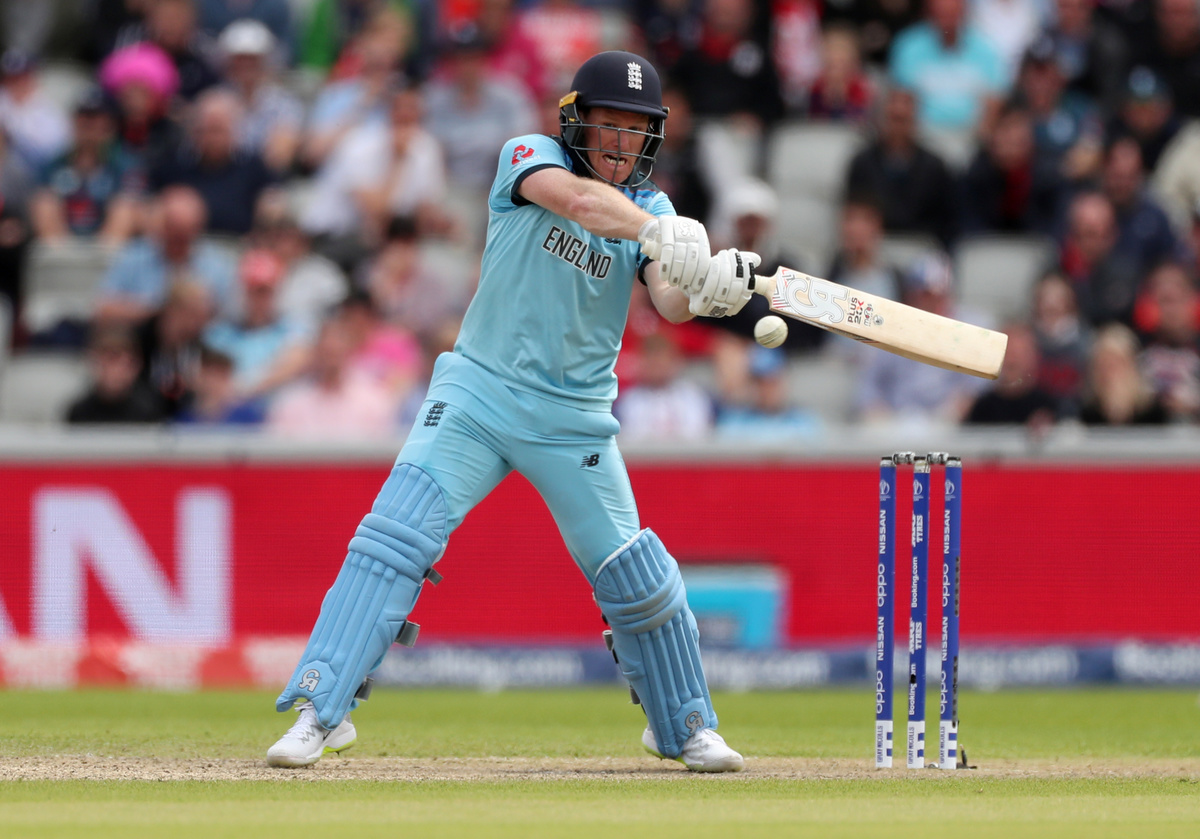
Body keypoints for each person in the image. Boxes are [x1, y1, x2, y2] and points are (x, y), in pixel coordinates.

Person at [266, 50, 749, 773]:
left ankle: (684, 726)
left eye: (636, 129)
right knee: (395, 536)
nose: (622, 144)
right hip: (478, 394)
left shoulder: (656, 211)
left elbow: (671, 301)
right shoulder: (529, 157)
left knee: (637, 575)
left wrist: (710, 288)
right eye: (609, 125)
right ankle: (319, 708)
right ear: (576, 122)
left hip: (575, 420)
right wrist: (659, 235)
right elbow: (580, 204)